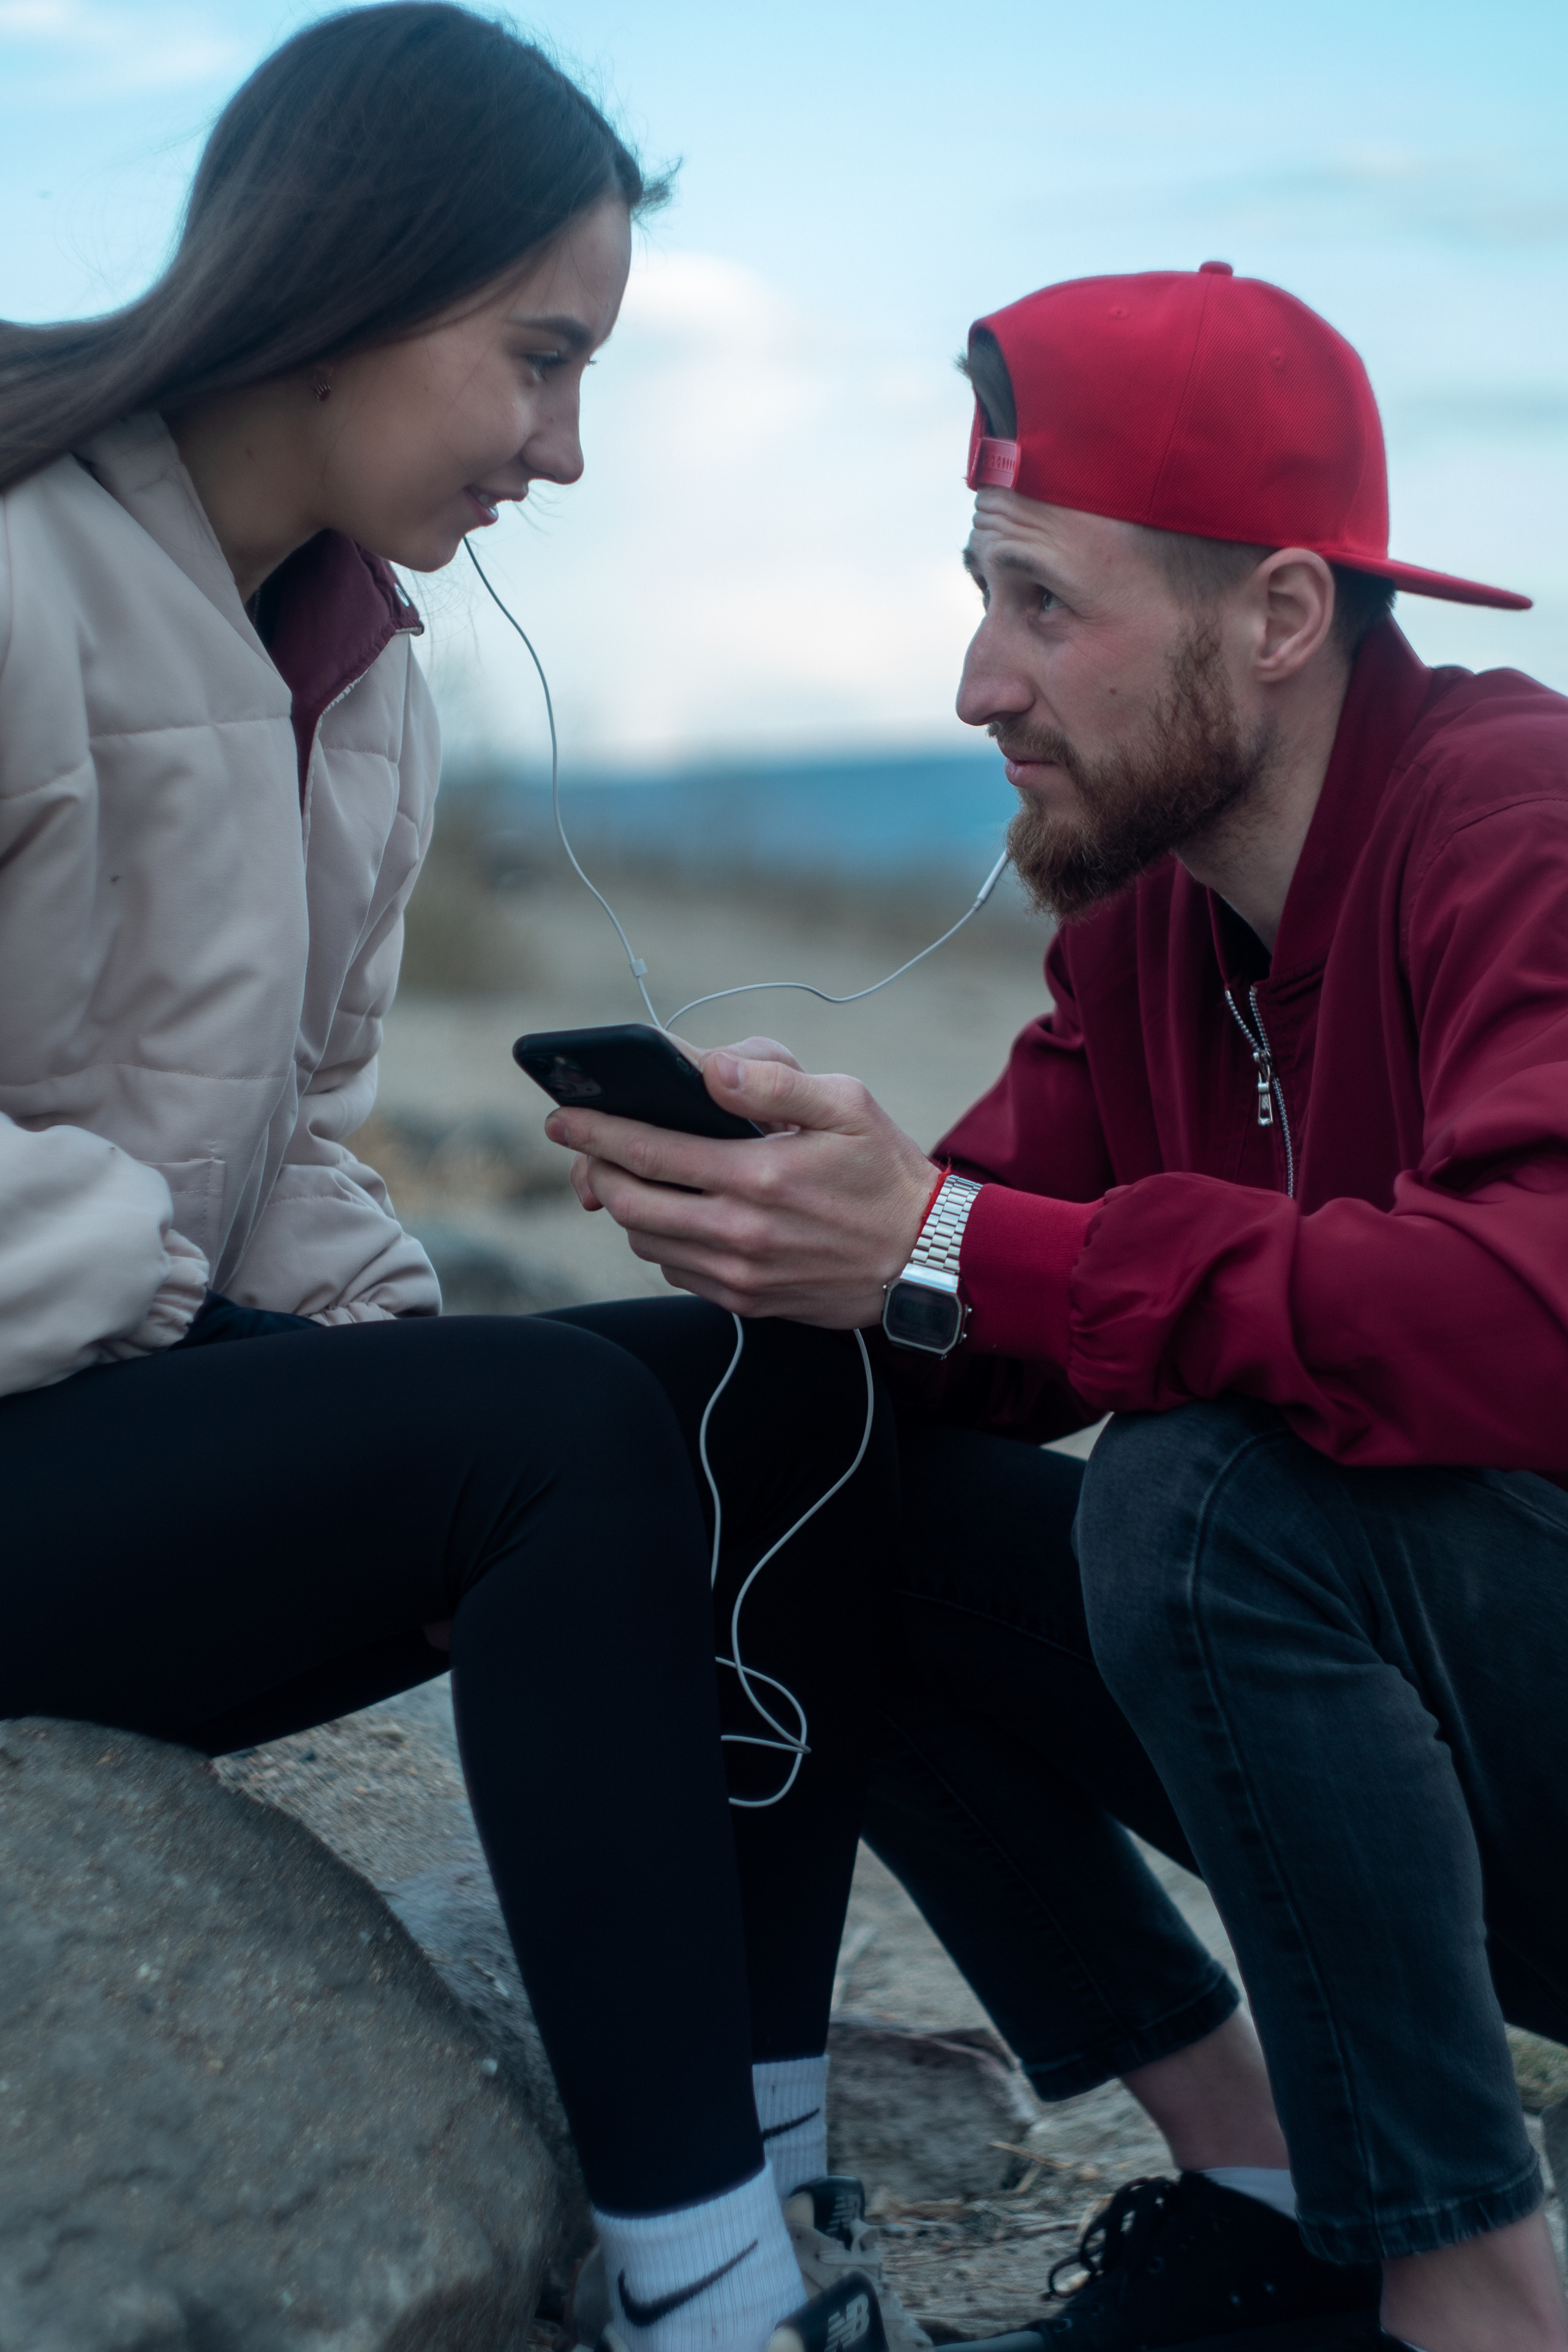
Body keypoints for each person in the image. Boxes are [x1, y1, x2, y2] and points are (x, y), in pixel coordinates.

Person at [0, 15, 922, 2352]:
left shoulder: (365, 670)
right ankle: (700, 2299)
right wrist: (161, 1298)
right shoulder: (15, 573)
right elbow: (156, 1224)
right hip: (42, 1402)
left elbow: (289, 1127)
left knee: (763, 1387)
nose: (567, 449)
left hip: (104, 1424)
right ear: (355, 272)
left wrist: (371, 1399)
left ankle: (770, 2171)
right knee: (557, 1438)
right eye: (539, 360)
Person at [541, 263, 1568, 2352]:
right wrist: (829, 1231)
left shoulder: (1517, 825)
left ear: (1277, 619)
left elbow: (1522, 1317)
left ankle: (1474, 2291)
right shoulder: (1146, 935)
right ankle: (1269, 2183)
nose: (976, 686)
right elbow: (992, 1298)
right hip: (1429, 1758)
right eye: (978, 596)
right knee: (824, 1458)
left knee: (1202, 1497)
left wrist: (937, 1241)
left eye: (1040, 604)